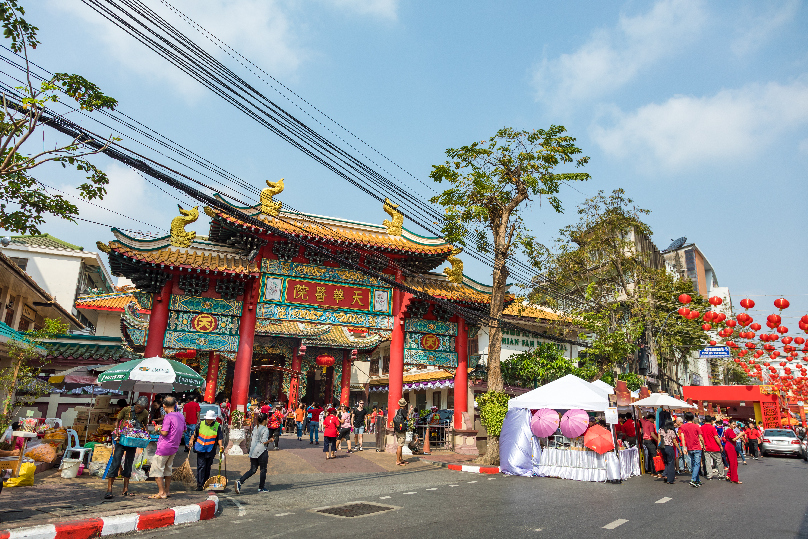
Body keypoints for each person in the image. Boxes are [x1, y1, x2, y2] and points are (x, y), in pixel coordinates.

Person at [104, 396, 149, 499]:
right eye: (138, 407)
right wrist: (117, 430)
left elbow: (144, 425)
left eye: (141, 408)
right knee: (116, 462)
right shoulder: (126, 410)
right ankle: (109, 489)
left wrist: (146, 433)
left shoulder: (145, 413)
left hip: (133, 441)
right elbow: (117, 420)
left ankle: (125, 489)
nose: (139, 410)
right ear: (135, 404)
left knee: (129, 464)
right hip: (122, 439)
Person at [149, 396, 185, 499]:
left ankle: (162, 492)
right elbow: (184, 429)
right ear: (175, 404)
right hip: (174, 446)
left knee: (157, 469)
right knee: (168, 469)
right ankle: (167, 491)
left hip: (164, 447)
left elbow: (164, 432)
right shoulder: (181, 416)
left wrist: (157, 428)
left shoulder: (168, 417)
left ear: (164, 406)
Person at [188, 410, 223, 491]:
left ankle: (205, 482)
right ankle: (200, 484)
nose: (209, 421)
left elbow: (219, 437)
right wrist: (191, 440)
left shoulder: (217, 426)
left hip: (210, 449)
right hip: (200, 448)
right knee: (201, 466)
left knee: (207, 466)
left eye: (211, 419)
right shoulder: (200, 424)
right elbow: (195, 434)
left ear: (214, 419)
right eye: (208, 419)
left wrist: (221, 446)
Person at [236, 413, 269, 494]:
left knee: (253, 470)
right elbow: (264, 442)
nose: (268, 420)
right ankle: (261, 487)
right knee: (263, 469)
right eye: (267, 419)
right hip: (261, 451)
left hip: (253, 451)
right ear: (264, 420)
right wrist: (270, 441)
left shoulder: (255, 427)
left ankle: (240, 481)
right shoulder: (265, 429)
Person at [679, 411, 705, 488]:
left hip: (689, 447)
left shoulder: (683, 427)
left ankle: (697, 480)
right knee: (697, 464)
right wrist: (703, 445)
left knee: (694, 464)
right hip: (697, 447)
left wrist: (684, 447)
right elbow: (700, 437)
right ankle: (693, 479)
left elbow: (682, 438)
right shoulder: (697, 426)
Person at [701, 416, 725, 480]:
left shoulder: (702, 428)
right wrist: (720, 445)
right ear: (711, 421)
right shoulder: (712, 428)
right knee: (719, 460)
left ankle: (709, 475)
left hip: (706, 446)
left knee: (707, 461)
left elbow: (700, 437)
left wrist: (703, 445)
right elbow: (716, 437)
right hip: (714, 446)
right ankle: (721, 475)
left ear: (705, 420)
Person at [658, 420, 681, 485]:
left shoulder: (661, 430)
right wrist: (679, 449)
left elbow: (659, 439)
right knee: (671, 463)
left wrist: (658, 447)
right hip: (669, 447)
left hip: (662, 447)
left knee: (666, 462)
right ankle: (670, 479)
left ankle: (665, 474)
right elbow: (675, 442)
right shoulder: (671, 431)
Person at [723, 419, 742, 484]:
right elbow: (734, 439)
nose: (734, 426)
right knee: (733, 463)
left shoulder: (728, 430)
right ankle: (734, 479)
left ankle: (729, 475)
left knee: (732, 462)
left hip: (728, 446)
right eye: (733, 424)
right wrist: (740, 434)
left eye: (735, 424)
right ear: (729, 424)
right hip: (730, 447)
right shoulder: (730, 430)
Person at [393, 398, 409, 466]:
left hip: (397, 430)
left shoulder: (398, 411)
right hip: (402, 430)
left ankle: (400, 458)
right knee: (400, 445)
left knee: (400, 445)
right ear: (405, 404)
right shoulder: (403, 411)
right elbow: (407, 418)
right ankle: (397, 461)